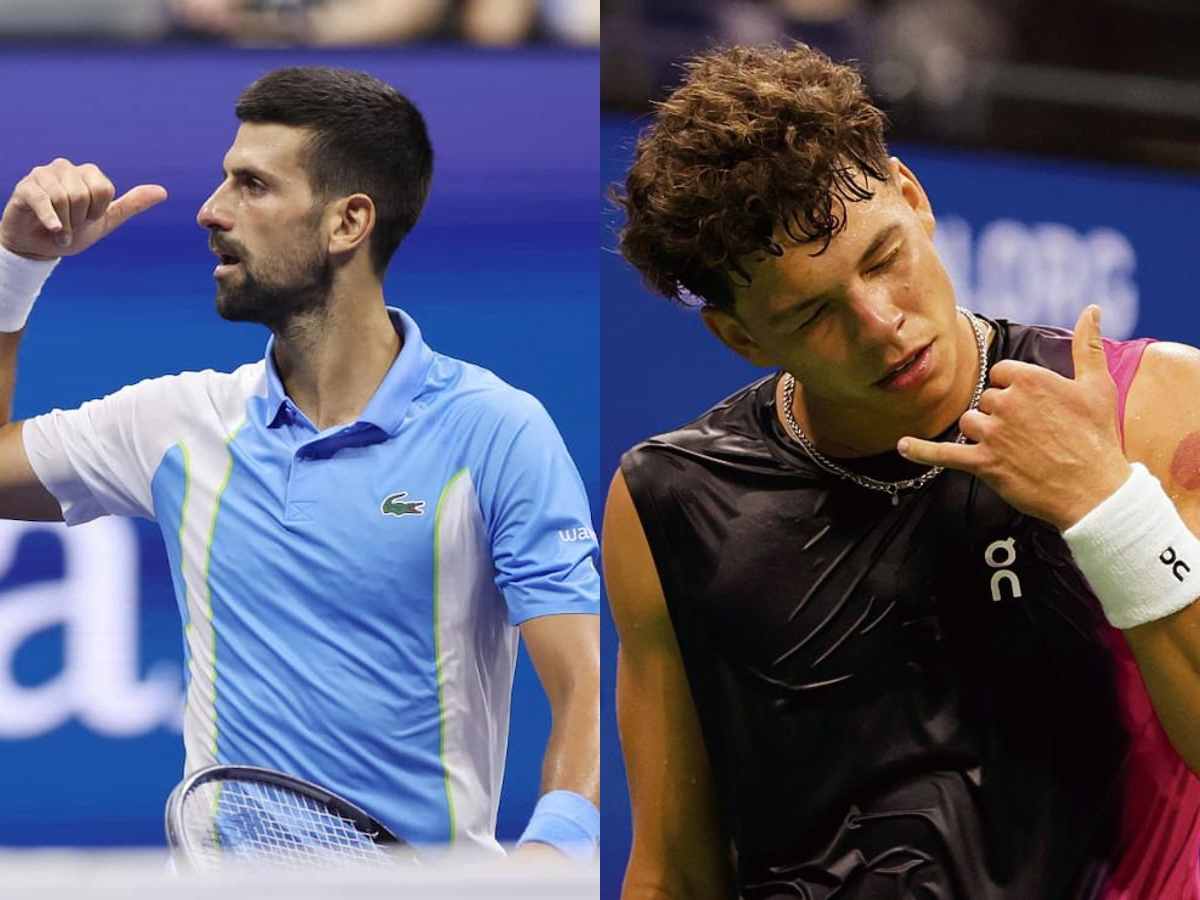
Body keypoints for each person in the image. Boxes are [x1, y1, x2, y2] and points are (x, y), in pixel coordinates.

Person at [605, 42, 1200, 898]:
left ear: (913, 197)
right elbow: (671, 868)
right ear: (741, 338)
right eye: (814, 313)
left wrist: (1108, 509)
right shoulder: (673, 502)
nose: (881, 324)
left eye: (882, 260)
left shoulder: (1150, 404)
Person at [0, 66, 599, 861]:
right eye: (223, 181)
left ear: (348, 222)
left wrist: (556, 853)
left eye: (252, 185)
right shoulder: (177, 423)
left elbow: (584, 687)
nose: (211, 211)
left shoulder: (497, 432)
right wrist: (17, 267)